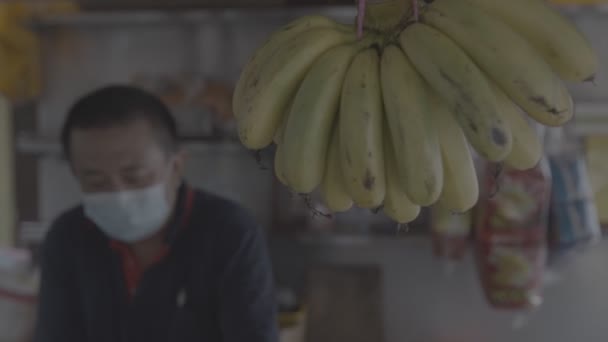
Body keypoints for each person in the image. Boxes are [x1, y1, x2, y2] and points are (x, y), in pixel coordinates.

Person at [33, 85, 279, 342]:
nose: (120, 195)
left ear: (176, 166)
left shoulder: (231, 233)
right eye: (96, 182)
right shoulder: (67, 238)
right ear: (76, 176)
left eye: (135, 177)